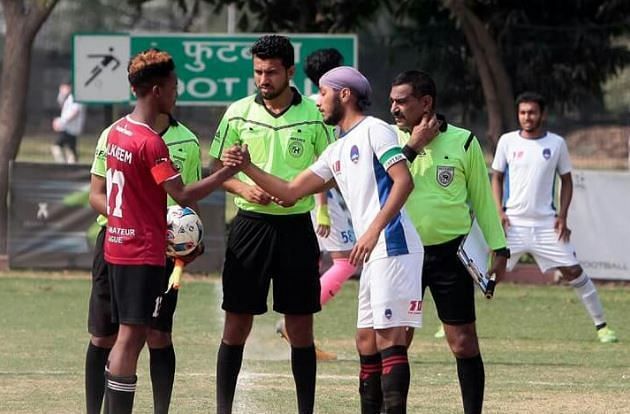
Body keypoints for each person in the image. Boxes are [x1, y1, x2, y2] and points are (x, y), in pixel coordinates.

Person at [223, 66, 424, 414]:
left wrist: (374, 229)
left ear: (344, 94)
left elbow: (403, 181)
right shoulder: (337, 149)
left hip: (393, 245)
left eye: (323, 92)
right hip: (372, 251)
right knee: (365, 341)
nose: (318, 101)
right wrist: (248, 167)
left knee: (389, 340)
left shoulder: (375, 130)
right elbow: (289, 191)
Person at [98, 48, 241, 414]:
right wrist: (227, 171)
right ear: (157, 90)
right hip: (141, 250)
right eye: (175, 86)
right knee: (131, 338)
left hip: (116, 246)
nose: (178, 93)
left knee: (124, 338)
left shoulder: (117, 132)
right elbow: (183, 193)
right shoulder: (150, 142)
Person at [208, 35, 333, 414]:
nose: (263, 79)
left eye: (272, 72)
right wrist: (245, 188)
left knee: (300, 328)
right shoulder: (237, 113)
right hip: (249, 229)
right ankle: (223, 410)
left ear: (290, 72)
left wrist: (299, 190)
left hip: (297, 229)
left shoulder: (314, 116)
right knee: (236, 325)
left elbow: (331, 172)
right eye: (258, 71)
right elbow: (218, 170)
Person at [390, 70, 509, 414]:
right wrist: (413, 147)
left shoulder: (464, 141)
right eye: (392, 100)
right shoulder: (387, 140)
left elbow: (483, 200)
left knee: (462, 343)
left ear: (425, 102)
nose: (394, 107)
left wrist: (498, 247)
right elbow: (383, 187)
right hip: (402, 253)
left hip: (450, 256)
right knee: (397, 342)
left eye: (402, 101)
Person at [85, 111, 202, 414]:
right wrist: (131, 221)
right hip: (115, 242)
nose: (174, 94)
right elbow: (96, 195)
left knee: (157, 334)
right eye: (170, 87)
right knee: (105, 335)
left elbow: (188, 202)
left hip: (160, 249)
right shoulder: (114, 134)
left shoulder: (187, 141)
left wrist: (192, 238)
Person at [491, 91, 618, 344]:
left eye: (532, 112)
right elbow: (497, 176)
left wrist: (562, 216)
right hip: (513, 224)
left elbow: (567, 181)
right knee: (488, 274)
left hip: (545, 224)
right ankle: (448, 323)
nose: (527, 117)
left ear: (542, 114)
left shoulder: (556, 144)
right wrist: (499, 211)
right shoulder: (507, 141)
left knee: (574, 271)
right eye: (523, 112)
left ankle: (602, 326)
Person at [274, 48, 356, 362]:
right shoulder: (325, 107)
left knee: (316, 263)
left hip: (316, 194)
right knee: (346, 261)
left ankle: (299, 327)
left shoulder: (308, 102)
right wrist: (321, 206)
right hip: (323, 196)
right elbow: (319, 161)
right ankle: (291, 323)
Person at [51, 81, 86, 163]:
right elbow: (61, 104)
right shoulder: (69, 97)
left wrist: (61, 121)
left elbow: (74, 112)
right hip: (67, 128)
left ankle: (64, 165)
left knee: (57, 147)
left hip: (72, 128)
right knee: (71, 149)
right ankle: (71, 165)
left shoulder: (77, 97)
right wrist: (62, 94)